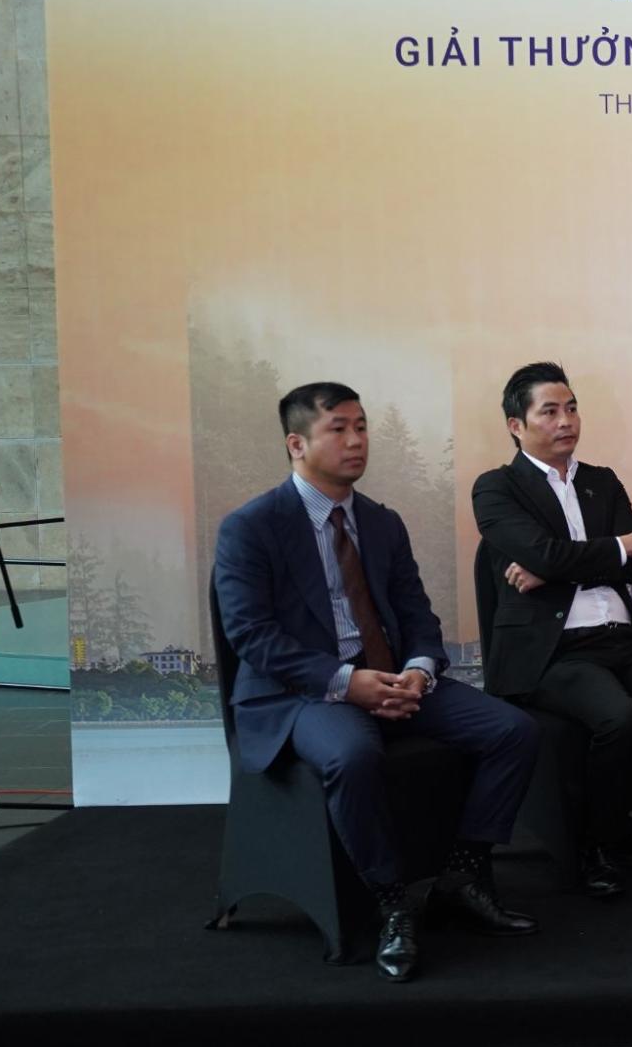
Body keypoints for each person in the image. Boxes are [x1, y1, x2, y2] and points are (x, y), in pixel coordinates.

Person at [214, 383, 541, 983]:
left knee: (513, 731)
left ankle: (461, 874)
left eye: (361, 426)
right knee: (353, 754)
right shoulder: (252, 527)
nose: (356, 440)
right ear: (297, 444)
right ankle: (392, 903)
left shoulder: (382, 523)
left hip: (393, 675)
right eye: (338, 428)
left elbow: (417, 615)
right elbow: (252, 637)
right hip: (301, 693)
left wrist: (418, 669)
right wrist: (346, 682)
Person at [471, 362, 632, 898]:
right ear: (516, 425)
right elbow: (571, 552)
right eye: (549, 411)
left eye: (571, 408)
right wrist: (609, 550)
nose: (566, 421)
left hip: (622, 638)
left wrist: (555, 567)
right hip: (553, 651)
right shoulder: (496, 489)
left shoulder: (600, 482)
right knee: (619, 719)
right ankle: (595, 844)